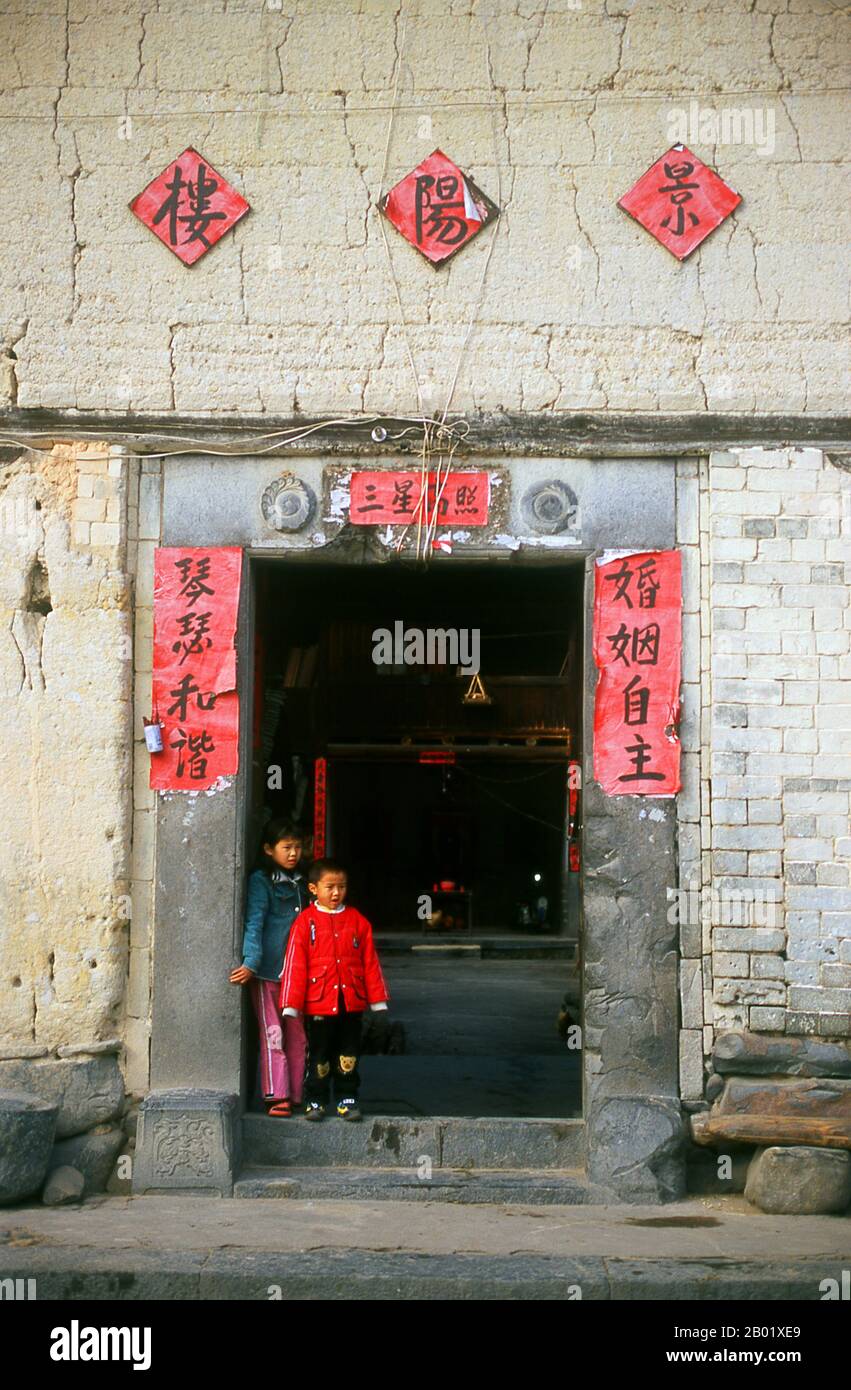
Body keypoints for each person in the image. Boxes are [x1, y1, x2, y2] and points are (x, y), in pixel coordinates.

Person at [280, 858, 389, 1122]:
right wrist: (290, 1003)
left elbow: (370, 963)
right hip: (318, 1003)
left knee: (348, 1054)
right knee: (319, 1055)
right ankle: (315, 1100)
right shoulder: (305, 923)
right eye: (329, 887)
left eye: (341, 887)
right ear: (314, 889)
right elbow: (295, 964)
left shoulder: (358, 922)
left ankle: (347, 1098)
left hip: (350, 1003)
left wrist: (377, 1000)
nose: (336, 893)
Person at [229, 818, 309, 1118]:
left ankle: (298, 1092)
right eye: (286, 847)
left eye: (298, 847)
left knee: (298, 1035)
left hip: (299, 974)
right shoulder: (261, 881)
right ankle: (277, 1095)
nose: (293, 854)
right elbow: (255, 920)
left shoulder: (303, 882)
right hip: (267, 973)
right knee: (273, 1032)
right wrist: (251, 962)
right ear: (268, 849)